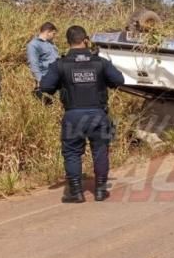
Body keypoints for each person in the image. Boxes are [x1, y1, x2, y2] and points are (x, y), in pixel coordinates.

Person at [40, 25, 125, 203]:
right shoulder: (100, 62)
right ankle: (101, 191)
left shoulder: (60, 64)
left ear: (68, 41)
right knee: (100, 151)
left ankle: (76, 193)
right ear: (85, 39)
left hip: (73, 115)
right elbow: (119, 80)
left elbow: (45, 87)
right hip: (98, 114)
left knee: (72, 153)